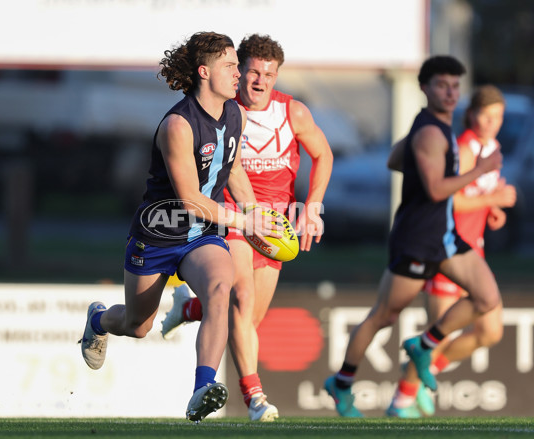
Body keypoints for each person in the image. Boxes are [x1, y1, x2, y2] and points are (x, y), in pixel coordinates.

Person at [78, 31, 280, 423]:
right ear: (204, 72)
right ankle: (98, 320)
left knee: (223, 290)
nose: (238, 73)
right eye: (230, 66)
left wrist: (256, 213)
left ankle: (202, 387)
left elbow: (232, 166)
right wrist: (243, 220)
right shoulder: (178, 125)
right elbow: (189, 199)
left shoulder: (233, 113)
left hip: (202, 235)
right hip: (159, 234)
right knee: (138, 325)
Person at [160, 34, 333, 421]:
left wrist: (313, 206)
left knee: (248, 319)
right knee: (242, 300)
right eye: (253, 71)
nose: (259, 81)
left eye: (269, 75)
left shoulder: (293, 113)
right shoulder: (226, 108)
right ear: (241, 71)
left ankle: (190, 308)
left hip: (275, 225)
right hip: (234, 215)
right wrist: (244, 212)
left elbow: (323, 154)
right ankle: (255, 399)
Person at [323, 55, 503, 418]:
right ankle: (341, 384)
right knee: (382, 317)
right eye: (441, 85)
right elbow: (437, 191)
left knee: (487, 298)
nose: (450, 93)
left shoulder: (435, 128)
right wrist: (481, 170)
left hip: (444, 237)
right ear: (424, 88)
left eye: (455, 86)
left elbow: (393, 159)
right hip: (417, 240)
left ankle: (425, 345)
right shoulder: (431, 132)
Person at [386, 85, 517, 417]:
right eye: (487, 115)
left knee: (490, 331)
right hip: (448, 251)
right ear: (471, 115)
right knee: (438, 332)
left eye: (499, 116)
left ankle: (427, 376)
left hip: (475, 252)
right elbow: (449, 199)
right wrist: (494, 200)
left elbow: (476, 196)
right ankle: (402, 399)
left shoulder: (491, 148)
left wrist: (492, 211)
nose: (493, 122)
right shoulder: (464, 149)